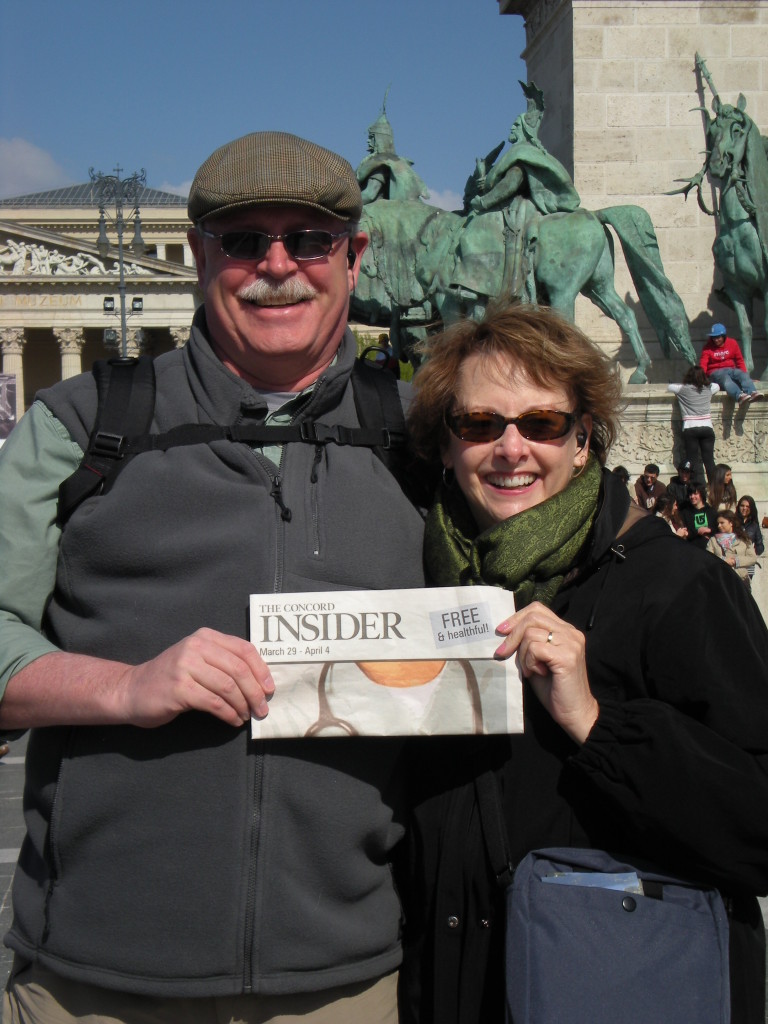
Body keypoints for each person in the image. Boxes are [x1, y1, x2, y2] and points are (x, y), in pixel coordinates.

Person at [0, 132, 427, 1024]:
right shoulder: (84, 423)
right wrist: (125, 687)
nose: (278, 266)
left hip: (345, 982)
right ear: (196, 257)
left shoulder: (425, 434)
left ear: (354, 256)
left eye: (309, 239)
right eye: (243, 240)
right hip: (96, 981)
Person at [399, 303, 768, 1024]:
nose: (511, 449)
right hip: (455, 991)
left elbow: (758, 827)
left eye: (542, 424)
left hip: (623, 983)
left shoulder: (680, 587)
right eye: (480, 424)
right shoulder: (418, 585)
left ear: (583, 440)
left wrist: (598, 723)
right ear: (446, 444)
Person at [667, 366, 719, 483]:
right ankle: (715, 489)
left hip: (690, 428)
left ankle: (695, 488)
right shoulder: (708, 388)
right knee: (709, 461)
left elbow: (670, 387)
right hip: (707, 427)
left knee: (692, 461)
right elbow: (717, 386)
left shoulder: (683, 389)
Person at [699, 323, 759, 404]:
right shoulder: (707, 348)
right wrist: (701, 379)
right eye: (713, 337)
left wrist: (747, 378)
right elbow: (703, 364)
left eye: (718, 337)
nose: (715, 340)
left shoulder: (732, 343)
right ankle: (739, 396)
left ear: (723, 336)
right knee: (726, 379)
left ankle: (752, 392)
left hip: (731, 369)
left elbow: (739, 360)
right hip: (715, 372)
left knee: (741, 374)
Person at [707, 510, 759, 587]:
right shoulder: (713, 540)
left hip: (741, 580)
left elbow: (752, 558)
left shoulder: (744, 539)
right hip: (722, 581)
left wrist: (735, 561)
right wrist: (723, 561)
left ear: (731, 523)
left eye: (722, 523)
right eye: (718, 523)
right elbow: (708, 560)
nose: (719, 526)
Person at [680, 483, 719, 550]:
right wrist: (697, 531)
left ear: (701, 494)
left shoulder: (711, 511)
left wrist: (709, 530)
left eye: (695, 494)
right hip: (693, 548)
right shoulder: (685, 513)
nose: (692, 497)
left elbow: (718, 528)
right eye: (690, 494)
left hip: (710, 547)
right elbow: (685, 532)